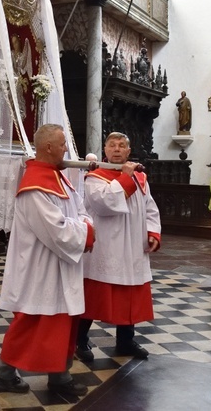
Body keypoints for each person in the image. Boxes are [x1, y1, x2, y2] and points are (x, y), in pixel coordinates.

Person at [0, 124, 94, 396]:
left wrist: (83, 225)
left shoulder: (58, 178)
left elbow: (80, 209)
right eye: (62, 144)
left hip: (60, 265)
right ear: (48, 147)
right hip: (41, 269)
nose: (66, 149)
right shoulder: (35, 186)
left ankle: (59, 377)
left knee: (61, 323)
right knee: (34, 323)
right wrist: (86, 230)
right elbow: (57, 231)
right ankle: (3, 373)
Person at [75, 132, 161, 363]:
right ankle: (79, 340)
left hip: (133, 245)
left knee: (130, 296)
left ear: (128, 152)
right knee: (94, 296)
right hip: (106, 247)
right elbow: (104, 205)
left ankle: (125, 341)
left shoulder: (140, 178)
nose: (116, 149)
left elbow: (150, 208)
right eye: (112, 145)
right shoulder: (94, 177)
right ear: (105, 149)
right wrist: (124, 178)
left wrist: (152, 232)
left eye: (121, 146)